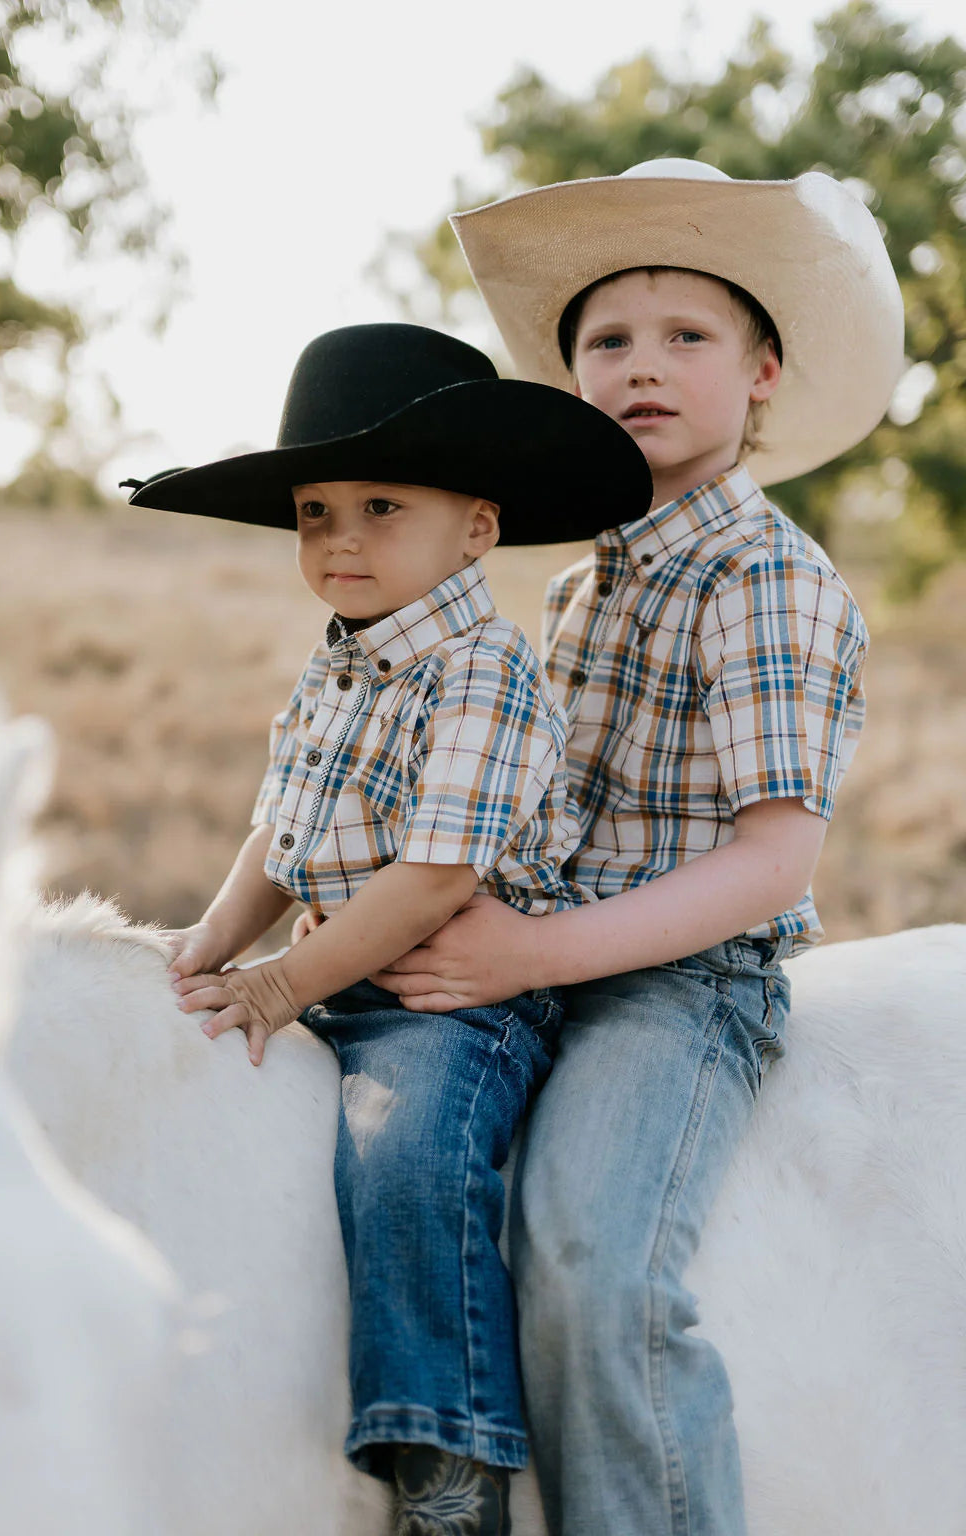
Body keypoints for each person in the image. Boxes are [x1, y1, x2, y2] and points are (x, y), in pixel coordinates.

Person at [368, 160, 905, 1535]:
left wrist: (531, 951)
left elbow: (772, 861)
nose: (642, 367)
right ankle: (442, 1476)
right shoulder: (572, 580)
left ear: (764, 370)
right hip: (542, 950)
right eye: (607, 340)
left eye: (688, 337)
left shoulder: (766, 577)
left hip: (682, 984)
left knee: (595, 1259)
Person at [124, 321, 652, 1536]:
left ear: (476, 526)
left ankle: (448, 1466)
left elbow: (429, 882)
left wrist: (277, 987)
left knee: (406, 1155)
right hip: (335, 969)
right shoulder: (336, 670)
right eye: (316, 513)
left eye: (379, 508)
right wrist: (206, 950)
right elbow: (280, 836)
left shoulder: (481, 670)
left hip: (452, 1002)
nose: (340, 541)